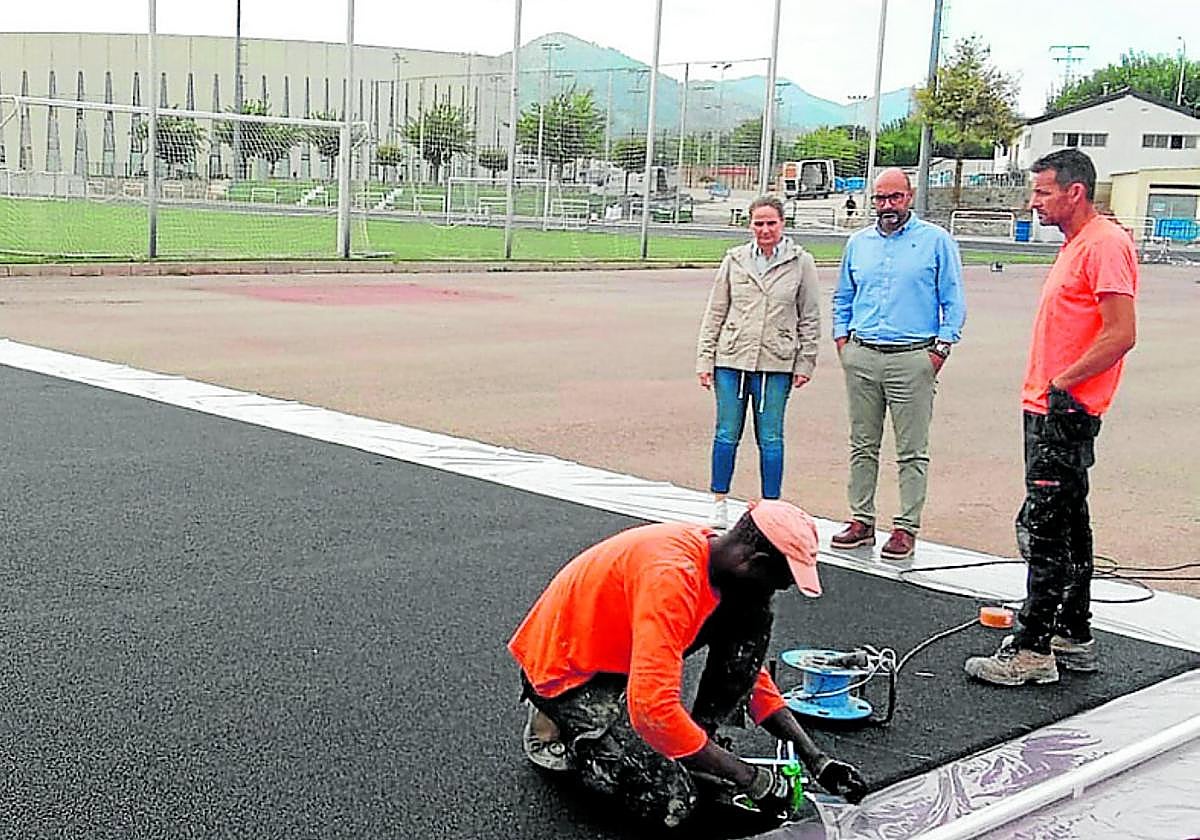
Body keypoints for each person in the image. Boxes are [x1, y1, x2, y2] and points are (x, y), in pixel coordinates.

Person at [508, 500, 868, 829]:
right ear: (754, 563)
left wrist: (817, 760)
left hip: (619, 657)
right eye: (777, 582)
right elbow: (654, 712)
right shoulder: (672, 579)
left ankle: (695, 743)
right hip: (568, 669)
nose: (777, 592)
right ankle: (559, 726)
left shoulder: (723, 573)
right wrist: (751, 779)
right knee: (672, 799)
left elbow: (746, 672)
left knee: (754, 619)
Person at [965, 149, 1137, 686]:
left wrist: (1063, 384)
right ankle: (1073, 632)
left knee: (1042, 527)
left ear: (1074, 192)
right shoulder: (1078, 246)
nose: (1033, 202)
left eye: (1042, 192)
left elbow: (1121, 332)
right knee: (1068, 523)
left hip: (1063, 409)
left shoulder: (1105, 245)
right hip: (1051, 404)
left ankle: (1033, 646)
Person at [829, 168, 966, 561]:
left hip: (912, 357)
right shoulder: (859, 244)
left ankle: (906, 526)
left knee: (911, 450)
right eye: (880, 199)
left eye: (895, 198)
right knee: (862, 444)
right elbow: (843, 296)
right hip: (863, 353)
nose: (887, 206)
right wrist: (843, 342)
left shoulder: (936, 242)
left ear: (909, 197)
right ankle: (861, 519)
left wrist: (939, 351)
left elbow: (953, 300)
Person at [695, 195, 821, 530]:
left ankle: (771, 507)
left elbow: (809, 316)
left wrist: (805, 362)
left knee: (771, 437)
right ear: (749, 225)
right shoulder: (735, 260)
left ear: (782, 224)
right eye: (758, 223)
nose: (765, 230)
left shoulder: (800, 262)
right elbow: (716, 311)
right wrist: (705, 358)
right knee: (726, 432)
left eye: (771, 223)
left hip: (775, 362)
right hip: (732, 358)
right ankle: (719, 500)